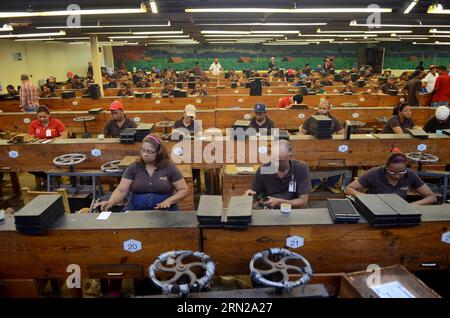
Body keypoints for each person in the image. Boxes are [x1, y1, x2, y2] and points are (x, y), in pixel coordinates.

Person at [97, 134, 189, 211]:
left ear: (158, 152)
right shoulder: (134, 167)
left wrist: (169, 201)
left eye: (149, 152)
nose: (145, 154)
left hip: (165, 212)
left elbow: (183, 189)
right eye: (143, 150)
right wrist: (110, 202)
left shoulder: (169, 167)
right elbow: (121, 190)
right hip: (136, 210)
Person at [344, 152, 436, 205]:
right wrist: (368, 198)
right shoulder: (374, 173)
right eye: (392, 172)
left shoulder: (410, 174)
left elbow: (431, 197)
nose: (397, 175)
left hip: (400, 208)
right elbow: (348, 189)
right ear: (386, 167)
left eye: (401, 172)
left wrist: (411, 206)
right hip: (376, 207)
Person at [244, 140, 311, 208]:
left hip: (294, 209)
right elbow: (252, 194)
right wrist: (248, 195)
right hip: (269, 210)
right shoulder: (263, 170)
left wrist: (280, 202)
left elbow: (303, 201)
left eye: (280, 161)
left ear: (290, 156)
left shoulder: (301, 168)